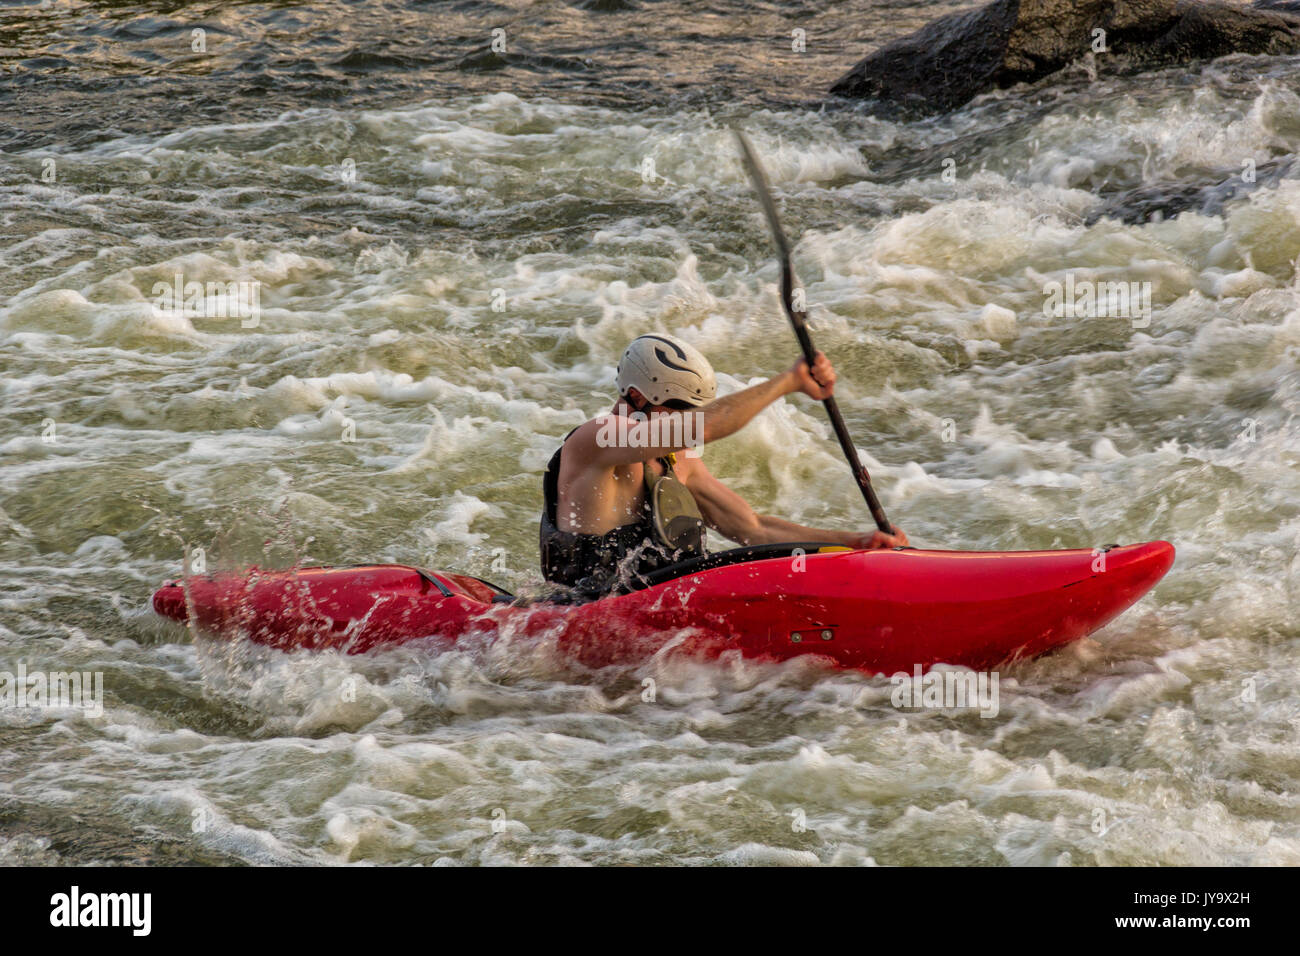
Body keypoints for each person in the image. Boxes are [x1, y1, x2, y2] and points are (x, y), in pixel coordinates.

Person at [540, 332, 907, 595]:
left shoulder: (676, 462)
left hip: (659, 600)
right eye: (682, 409)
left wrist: (856, 543)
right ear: (637, 396)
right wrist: (788, 382)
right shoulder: (598, 439)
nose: (687, 422)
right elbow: (708, 426)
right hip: (590, 609)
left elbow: (754, 530)